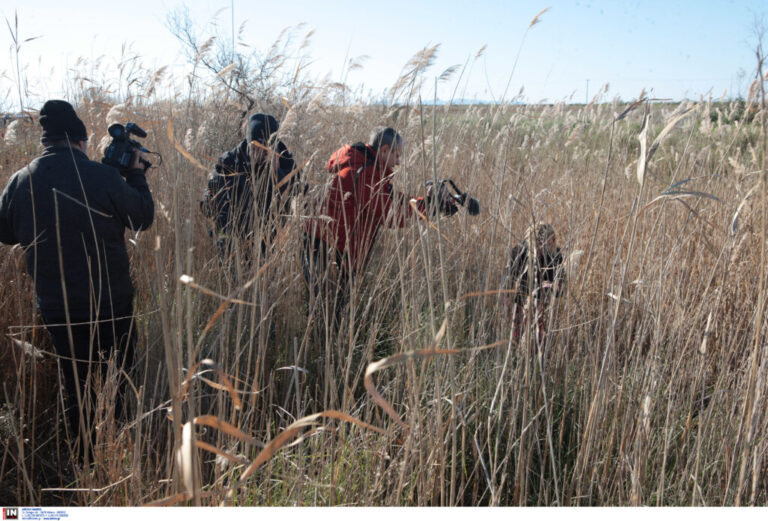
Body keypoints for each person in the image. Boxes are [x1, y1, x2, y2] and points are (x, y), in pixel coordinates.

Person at [0, 100, 154, 455]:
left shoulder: (20, 179)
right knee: (117, 378)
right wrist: (136, 174)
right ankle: (118, 451)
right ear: (82, 140)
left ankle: (84, 456)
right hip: (110, 301)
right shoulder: (102, 176)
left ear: (46, 140)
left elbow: (6, 233)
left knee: (75, 383)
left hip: (58, 306)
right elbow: (142, 218)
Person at [303, 126, 457, 323]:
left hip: (335, 247)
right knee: (324, 312)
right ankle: (322, 350)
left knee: (336, 311)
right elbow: (389, 214)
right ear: (384, 151)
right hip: (323, 247)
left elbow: (392, 198)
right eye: (397, 155)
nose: (399, 162)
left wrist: (426, 203)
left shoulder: (369, 167)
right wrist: (431, 208)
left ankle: (329, 346)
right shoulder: (364, 171)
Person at [200, 113, 299, 266]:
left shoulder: (285, 160)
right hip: (234, 242)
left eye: (263, 149)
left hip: (272, 240)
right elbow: (207, 206)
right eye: (254, 147)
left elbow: (299, 200)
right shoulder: (228, 163)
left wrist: (277, 174)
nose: (257, 154)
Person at [506, 223, 566, 343]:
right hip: (520, 300)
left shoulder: (556, 255)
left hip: (540, 302)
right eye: (541, 242)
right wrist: (507, 301)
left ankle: (535, 356)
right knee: (516, 335)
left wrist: (553, 287)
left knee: (537, 337)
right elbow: (509, 280)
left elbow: (561, 286)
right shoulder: (520, 251)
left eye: (550, 241)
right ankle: (516, 356)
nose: (545, 245)